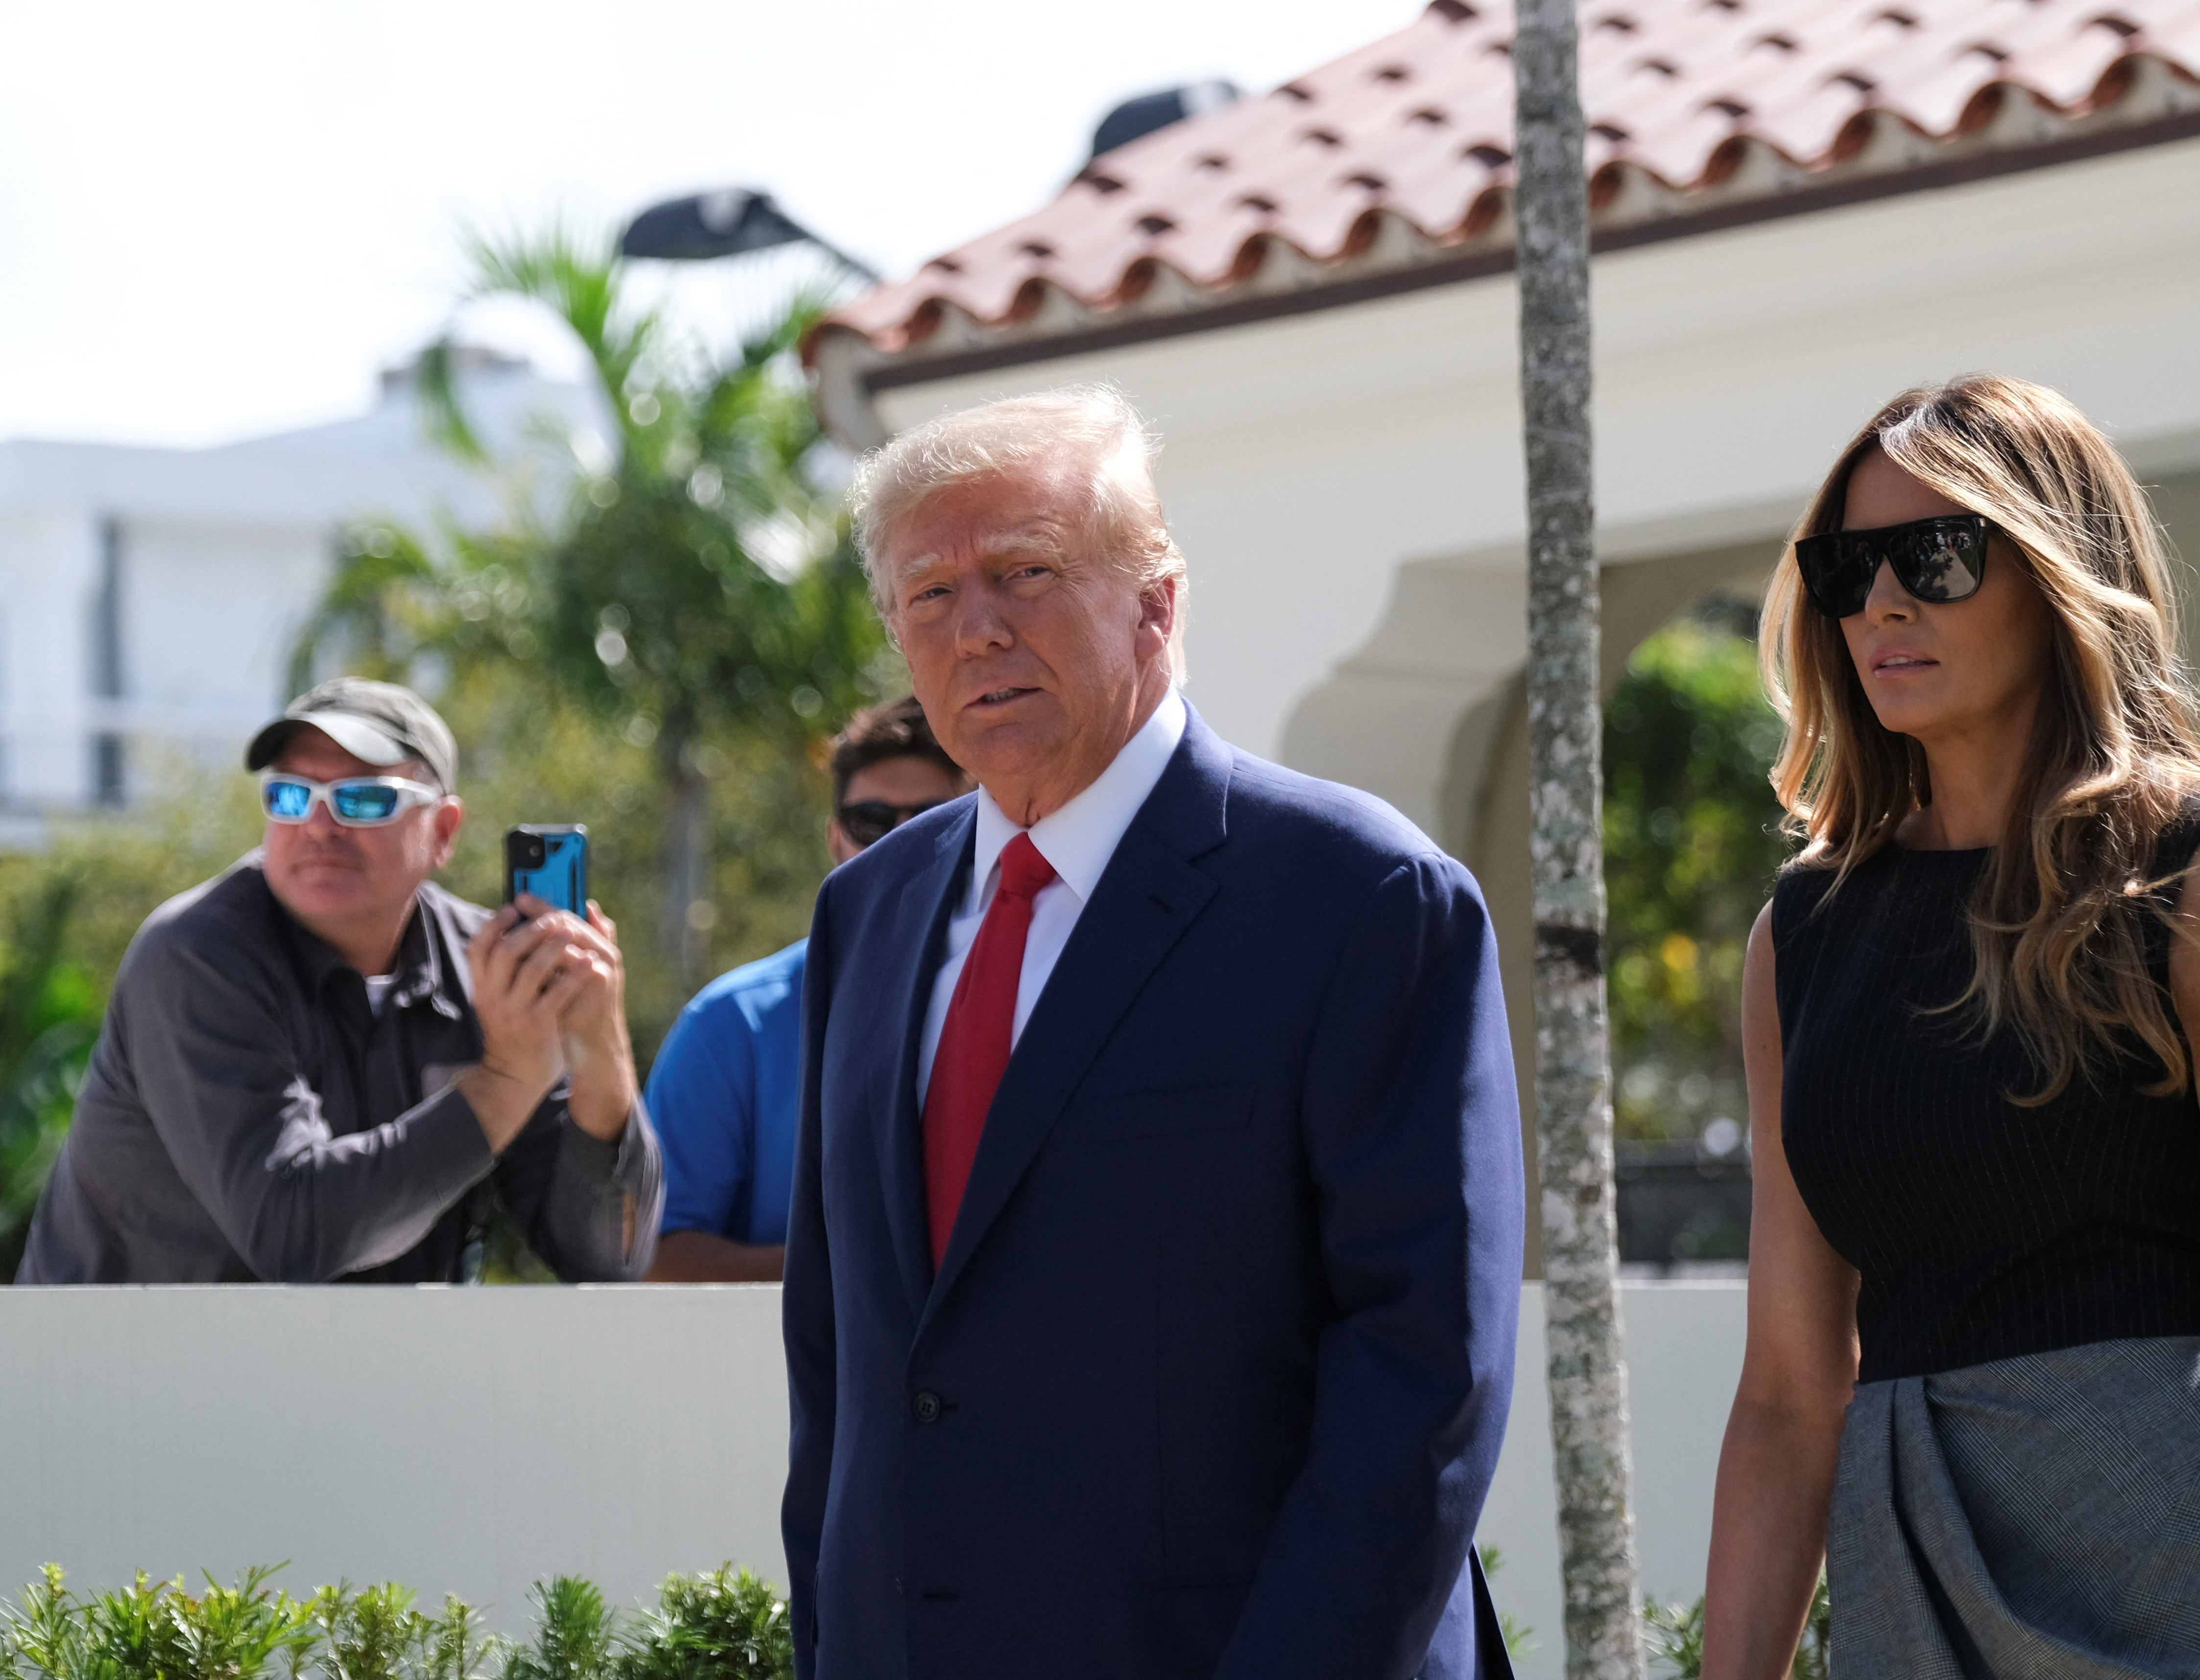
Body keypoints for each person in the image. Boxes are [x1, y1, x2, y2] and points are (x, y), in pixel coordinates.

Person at [781, 386, 1525, 1680]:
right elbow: (836, 1359)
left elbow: (1423, 1377)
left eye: (1025, 570)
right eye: (930, 594)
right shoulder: (869, 910)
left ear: (1157, 601)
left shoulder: (1356, 895)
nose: (978, 629)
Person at [1701, 377, 2200, 1678]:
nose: (1880, 603)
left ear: (2055, 576)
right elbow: (1787, 1389)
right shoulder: (1798, 938)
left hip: (2166, 1552)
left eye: (1934, 554)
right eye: (1846, 567)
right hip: (1908, 1550)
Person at [15, 677, 663, 1284]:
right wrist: (503, 1082)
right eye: (290, 795)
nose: (319, 825)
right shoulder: (194, 956)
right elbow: (291, 1232)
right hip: (112, 1385)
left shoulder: (487, 968)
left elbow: (604, 1258)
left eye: (363, 798)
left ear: (442, 831)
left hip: (361, 1386)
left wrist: (599, 1050)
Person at [643, 696, 967, 1282]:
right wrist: (864, 1278)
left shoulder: (1028, 1001)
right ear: (835, 839)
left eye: (929, 822)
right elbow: (656, 1256)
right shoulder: (731, 1024)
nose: (896, 846)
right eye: (870, 821)